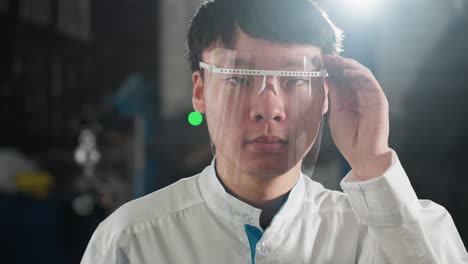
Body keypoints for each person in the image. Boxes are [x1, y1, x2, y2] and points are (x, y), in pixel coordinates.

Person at [81, 0, 468, 263]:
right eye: (240, 79)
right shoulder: (132, 240)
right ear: (200, 91)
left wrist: (373, 163)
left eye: (296, 80)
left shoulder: (380, 232)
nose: (270, 110)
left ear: (326, 94)